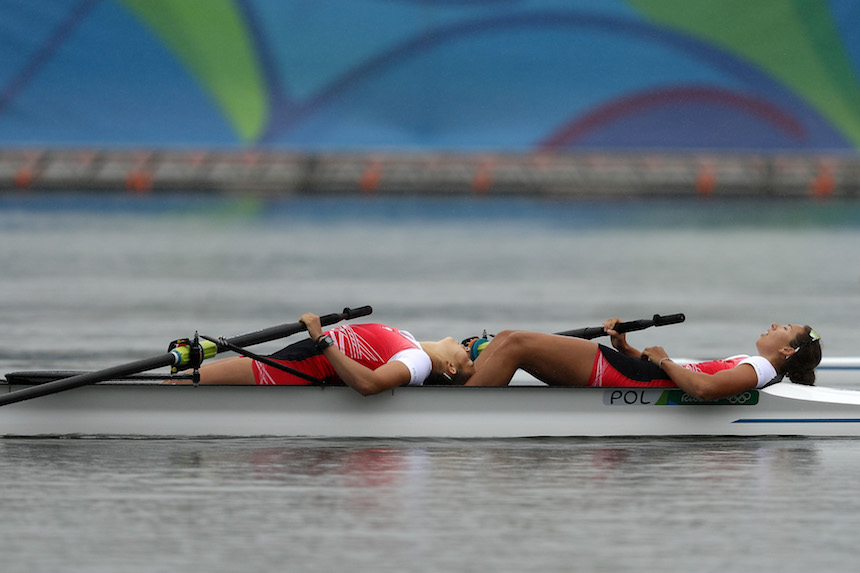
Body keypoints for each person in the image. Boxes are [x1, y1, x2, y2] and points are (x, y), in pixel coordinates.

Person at [464, 318, 822, 400]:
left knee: (517, 343)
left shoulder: (760, 367)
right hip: (630, 368)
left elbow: (705, 388)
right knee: (510, 338)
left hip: (627, 378)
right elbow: (689, 375)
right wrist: (628, 348)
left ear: (787, 351)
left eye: (784, 328)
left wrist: (664, 360)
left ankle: (460, 402)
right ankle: (463, 386)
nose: (774, 324)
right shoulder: (753, 362)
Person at [167, 313, 475, 395]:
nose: (467, 349)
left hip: (297, 368)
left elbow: (369, 385)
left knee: (177, 386)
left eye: (468, 359)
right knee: (181, 381)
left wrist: (321, 339)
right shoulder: (408, 341)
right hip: (299, 356)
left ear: (449, 367)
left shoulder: (417, 361)